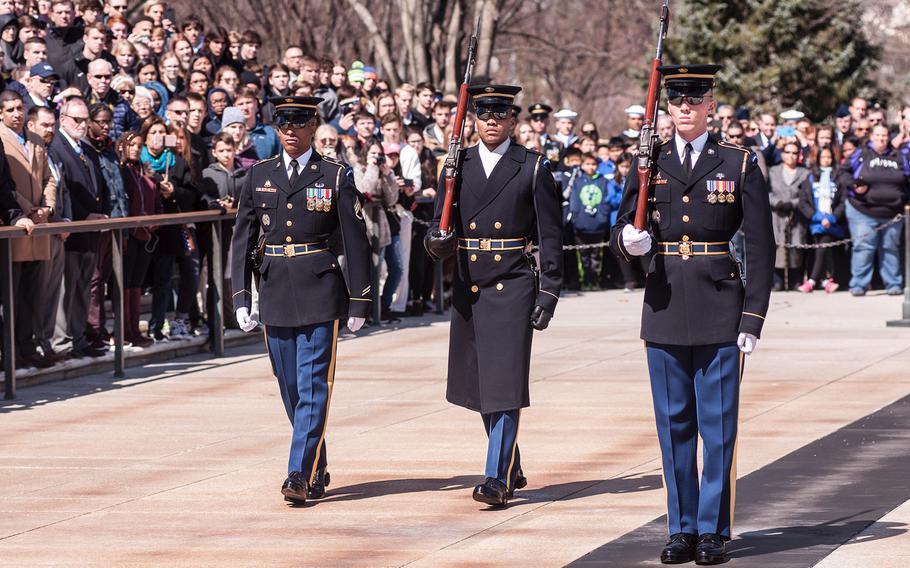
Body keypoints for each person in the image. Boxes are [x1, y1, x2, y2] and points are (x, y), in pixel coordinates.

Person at [610, 65, 773, 565]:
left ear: (710, 106)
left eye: (694, 98)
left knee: (717, 425)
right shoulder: (647, 162)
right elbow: (622, 227)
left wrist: (752, 317)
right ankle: (680, 526)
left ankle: (712, 530)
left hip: (720, 304)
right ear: (667, 106)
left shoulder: (737, 162)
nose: (684, 106)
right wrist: (628, 242)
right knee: (673, 423)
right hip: (663, 303)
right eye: (676, 99)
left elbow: (762, 247)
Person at [424, 84, 563, 507]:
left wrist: (549, 291)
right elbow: (437, 227)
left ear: (513, 121)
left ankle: (496, 477)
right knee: (481, 384)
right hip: (470, 284)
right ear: (473, 119)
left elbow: (551, 236)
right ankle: (511, 462)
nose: (491, 121)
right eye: (483, 114)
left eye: (500, 115)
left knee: (503, 383)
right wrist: (439, 242)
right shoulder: (456, 167)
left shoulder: (532, 167)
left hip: (512, 284)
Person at [231, 96, 371, 505]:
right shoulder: (258, 176)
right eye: (283, 123)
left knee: (313, 385)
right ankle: (315, 463)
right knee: (290, 388)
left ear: (313, 126)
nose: (290, 130)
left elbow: (356, 242)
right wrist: (241, 295)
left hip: (319, 290)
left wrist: (359, 299)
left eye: (299, 122)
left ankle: (297, 471)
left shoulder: (334, 175)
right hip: (274, 289)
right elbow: (243, 239)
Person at [48, 95, 111, 358]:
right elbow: (64, 190)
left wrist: (103, 214)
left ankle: (78, 338)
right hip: (71, 231)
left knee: (84, 286)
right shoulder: (56, 147)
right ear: (63, 119)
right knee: (67, 288)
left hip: (90, 232)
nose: (83, 125)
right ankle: (62, 342)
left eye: (86, 120)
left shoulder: (85, 149)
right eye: (77, 120)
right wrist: (83, 217)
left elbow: (101, 186)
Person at [0, 90, 58, 368]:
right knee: (13, 291)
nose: (16, 114)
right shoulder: (1, 139)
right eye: (10, 109)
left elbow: (49, 178)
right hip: (16, 224)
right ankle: (11, 350)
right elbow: (5, 186)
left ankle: (27, 345)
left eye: (20, 108)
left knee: (33, 292)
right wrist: (26, 210)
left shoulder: (35, 139)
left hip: (38, 225)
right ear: (1, 113)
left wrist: (46, 207)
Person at [845, 124, 910, 296]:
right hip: (863, 211)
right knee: (863, 248)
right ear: (871, 137)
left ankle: (893, 284)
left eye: (884, 135)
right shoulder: (861, 154)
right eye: (878, 135)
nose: (881, 139)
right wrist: (854, 185)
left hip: (893, 213)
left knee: (890, 248)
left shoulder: (899, 155)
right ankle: (859, 285)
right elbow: (843, 173)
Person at [117, 131, 158, 348]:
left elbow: (154, 196)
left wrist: (155, 220)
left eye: (139, 145)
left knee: (136, 283)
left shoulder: (144, 170)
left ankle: (134, 328)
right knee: (125, 282)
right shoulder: (121, 170)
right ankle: (124, 329)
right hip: (128, 234)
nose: (135, 148)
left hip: (146, 233)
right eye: (131, 144)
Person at [797, 145, 845, 293]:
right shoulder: (810, 178)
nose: (826, 160)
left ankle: (812, 280)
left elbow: (843, 201)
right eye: (823, 157)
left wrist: (831, 218)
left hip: (832, 222)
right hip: (816, 221)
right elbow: (803, 201)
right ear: (818, 159)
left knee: (823, 246)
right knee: (822, 248)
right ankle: (825, 281)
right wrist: (817, 217)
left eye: (829, 157)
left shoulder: (838, 177)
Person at [568, 152, 619, 290]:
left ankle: (595, 280)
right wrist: (576, 218)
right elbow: (574, 202)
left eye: (593, 164)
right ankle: (584, 280)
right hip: (581, 225)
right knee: (583, 255)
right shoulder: (578, 181)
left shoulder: (603, 181)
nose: (590, 167)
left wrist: (602, 216)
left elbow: (606, 201)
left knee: (597, 255)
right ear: (582, 165)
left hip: (598, 225)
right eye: (587, 164)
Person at [768, 140, 810, 290]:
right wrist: (777, 202)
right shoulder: (773, 171)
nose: (791, 156)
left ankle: (795, 280)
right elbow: (766, 192)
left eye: (794, 153)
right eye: (787, 152)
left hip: (796, 215)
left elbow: (807, 195)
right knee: (777, 245)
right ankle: (777, 280)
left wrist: (793, 203)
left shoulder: (805, 173)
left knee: (796, 245)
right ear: (782, 154)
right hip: (777, 214)